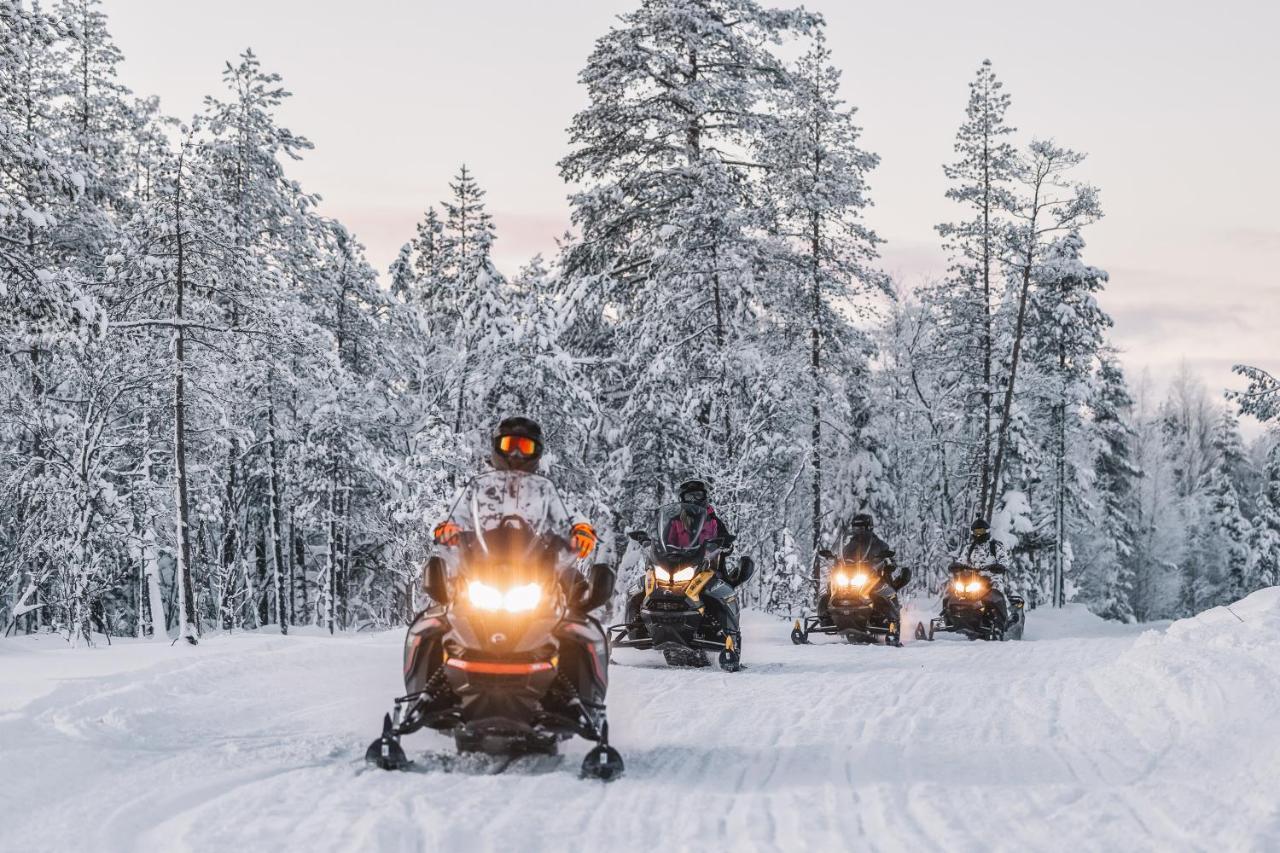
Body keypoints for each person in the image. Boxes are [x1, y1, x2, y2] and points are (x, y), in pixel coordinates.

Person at [402, 416, 605, 716]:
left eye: (525, 447)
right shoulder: (480, 492)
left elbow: (569, 516)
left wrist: (581, 530)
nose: (517, 455)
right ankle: (426, 698)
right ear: (498, 448)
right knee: (435, 620)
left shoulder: (545, 492)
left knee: (577, 616)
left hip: (536, 573)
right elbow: (456, 517)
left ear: (537, 452)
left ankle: (581, 700)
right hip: (483, 572)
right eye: (510, 445)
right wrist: (447, 529)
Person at [624, 478, 733, 638]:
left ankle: (727, 633)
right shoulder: (674, 521)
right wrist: (648, 541)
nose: (694, 500)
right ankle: (637, 626)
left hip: (705, 565)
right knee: (641, 587)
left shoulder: (714, 522)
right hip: (675, 563)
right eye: (689, 496)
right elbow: (662, 538)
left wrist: (724, 544)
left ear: (705, 496)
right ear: (683, 499)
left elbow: (726, 541)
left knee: (718, 591)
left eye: (697, 495)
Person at [819, 512, 909, 624]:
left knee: (882, 588)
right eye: (856, 528)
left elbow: (887, 554)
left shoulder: (877, 543)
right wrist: (834, 556)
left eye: (861, 528)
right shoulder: (851, 544)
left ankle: (891, 617)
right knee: (830, 589)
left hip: (869, 573)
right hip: (850, 574)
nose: (858, 531)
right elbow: (843, 554)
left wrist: (884, 556)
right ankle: (826, 617)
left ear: (868, 528)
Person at [958, 517, 1012, 627]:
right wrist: (956, 565)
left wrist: (1000, 566)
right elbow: (962, 560)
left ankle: (1004, 618)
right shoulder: (969, 547)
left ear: (986, 531)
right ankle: (951, 616)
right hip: (972, 578)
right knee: (955, 591)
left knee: (996, 592)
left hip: (992, 577)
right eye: (976, 531)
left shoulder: (995, 546)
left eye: (981, 531)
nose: (978, 534)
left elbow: (1004, 560)